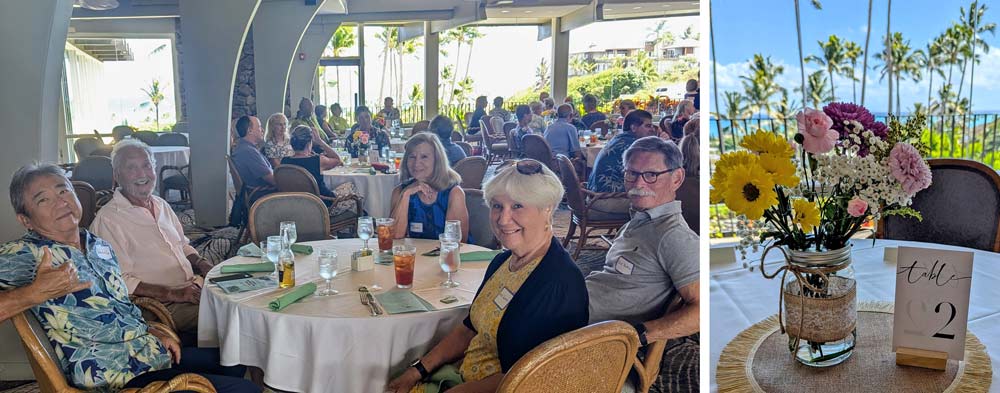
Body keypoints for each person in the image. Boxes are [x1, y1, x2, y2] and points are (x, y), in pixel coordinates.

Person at [0, 163, 259, 392]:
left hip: (147, 353)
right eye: (43, 200)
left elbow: (120, 303)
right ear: (26, 220)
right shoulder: (26, 254)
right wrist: (33, 293)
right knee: (245, 389)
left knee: (235, 361)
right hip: (114, 378)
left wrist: (151, 329)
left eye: (63, 190)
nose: (61, 202)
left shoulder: (97, 244)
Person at [386, 159, 588, 393]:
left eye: (518, 206)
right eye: (497, 206)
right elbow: (469, 328)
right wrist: (417, 370)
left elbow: (534, 376)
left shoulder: (558, 283)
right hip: (465, 376)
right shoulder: (503, 261)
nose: (503, 219)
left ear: (548, 209)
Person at [585, 137, 699, 393]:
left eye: (650, 175)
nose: (638, 183)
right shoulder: (641, 220)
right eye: (632, 174)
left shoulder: (674, 236)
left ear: (677, 179)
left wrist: (639, 335)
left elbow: (701, 311)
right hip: (577, 317)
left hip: (593, 341)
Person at [90, 140, 213, 343]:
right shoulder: (109, 221)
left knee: (241, 295)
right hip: (159, 306)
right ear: (116, 175)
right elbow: (120, 281)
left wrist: (201, 263)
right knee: (227, 315)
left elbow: (182, 244)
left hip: (192, 288)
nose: (142, 174)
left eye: (147, 165)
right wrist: (172, 293)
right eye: (132, 168)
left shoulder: (161, 204)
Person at [389, 133, 470, 243]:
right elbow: (394, 237)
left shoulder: (453, 193)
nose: (417, 163)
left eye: (424, 157)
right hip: (413, 256)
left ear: (437, 160)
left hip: (447, 257)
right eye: (412, 157)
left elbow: (457, 243)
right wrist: (406, 195)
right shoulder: (400, 192)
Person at [587, 110, 659, 219]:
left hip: (594, 196)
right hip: (605, 200)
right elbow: (646, 174)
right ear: (634, 128)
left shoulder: (619, 139)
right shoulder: (631, 146)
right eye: (648, 126)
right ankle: (640, 235)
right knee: (658, 204)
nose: (652, 129)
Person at [281, 126, 345, 206]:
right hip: (323, 205)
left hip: (295, 205)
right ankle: (362, 217)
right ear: (309, 143)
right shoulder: (318, 160)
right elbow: (338, 160)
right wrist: (320, 141)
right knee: (351, 188)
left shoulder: (284, 161)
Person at [231, 115, 277, 204]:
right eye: (259, 127)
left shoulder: (242, 147)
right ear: (250, 131)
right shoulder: (249, 152)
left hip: (257, 193)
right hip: (262, 197)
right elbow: (273, 180)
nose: (262, 130)